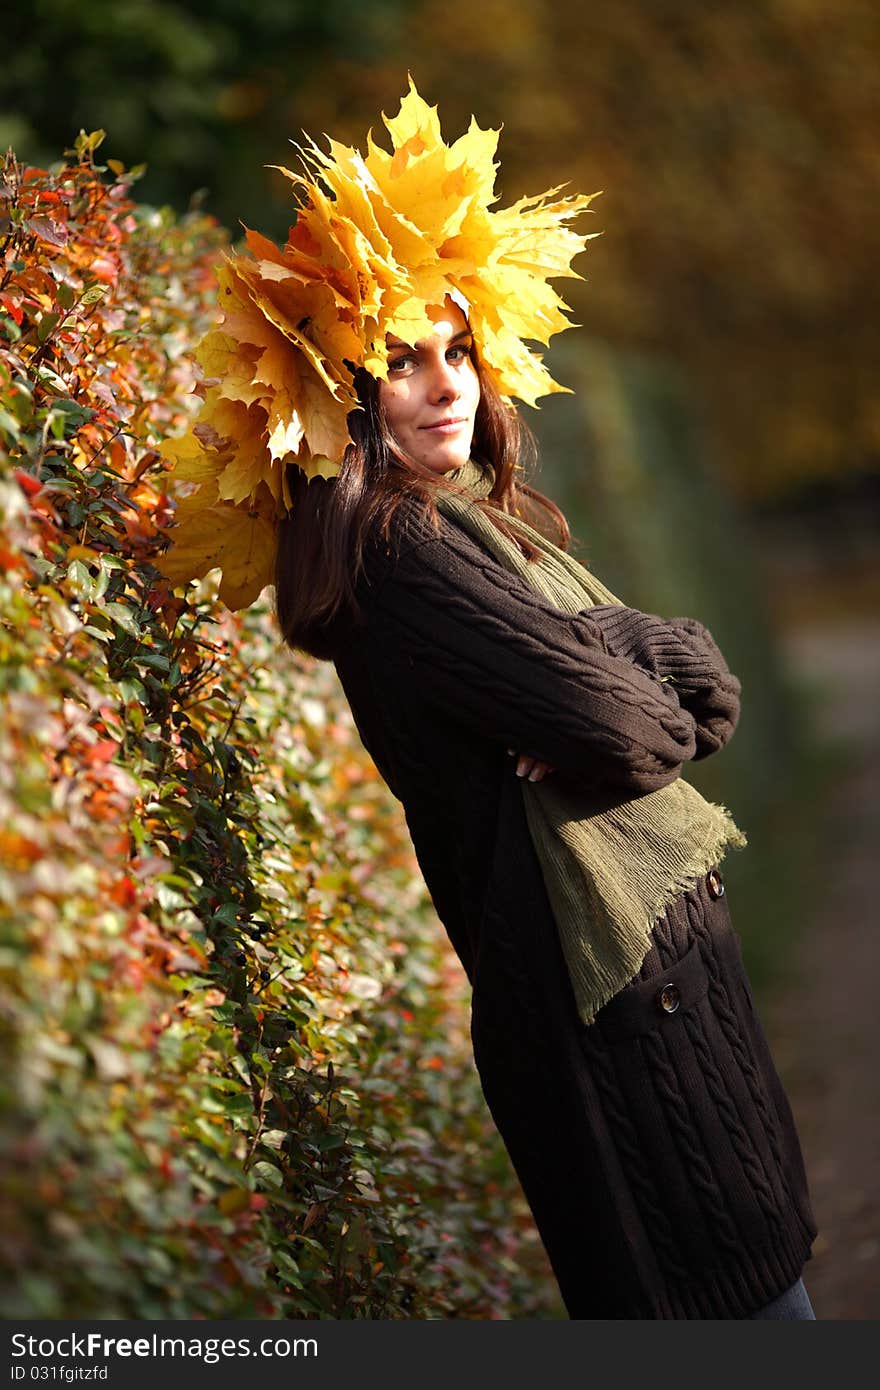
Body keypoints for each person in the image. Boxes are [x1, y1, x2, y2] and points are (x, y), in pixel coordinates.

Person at [159, 82, 818, 1319]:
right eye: (399, 361)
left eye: (458, 351)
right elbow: (634, 728)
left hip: (662, 1008)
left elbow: (691, 693)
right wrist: (634, 688)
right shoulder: (401, 556)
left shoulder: (490, 531)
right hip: (614, 1035)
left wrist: (619, 647)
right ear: (340, 396)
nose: (442, 383)